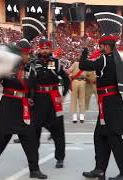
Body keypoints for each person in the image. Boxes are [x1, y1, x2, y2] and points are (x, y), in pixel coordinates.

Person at [0, 17, 48, 180]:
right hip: (7, 107)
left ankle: (34, 170)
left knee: (30, 141)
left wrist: (32, 99)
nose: (28, 56)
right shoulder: (7, 65)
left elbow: (33, 88)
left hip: (24, 108)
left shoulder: (31, 69)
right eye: (26, 54)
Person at [80, 12, 123, 180]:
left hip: (108, 104)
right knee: (101, 136)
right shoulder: (116, 59)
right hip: (109, 103)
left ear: (106, 47)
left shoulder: (105, 59)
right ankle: (100, 169)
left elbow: (83, 64)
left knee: (113, 138)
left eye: (101, 45)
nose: (99, 48)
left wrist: (85, 49)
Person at [31, 38, 70, 168]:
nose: (44, 50)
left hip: (53, 99)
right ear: (39, 49)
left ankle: (60, 158)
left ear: (50, 49)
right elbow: (29, 82)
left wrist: (63, 94)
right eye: (42, 48)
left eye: (47, 48)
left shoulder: (56, 63)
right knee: (34, 131)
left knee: (58, 130)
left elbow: (66, 79)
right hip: (37, 99)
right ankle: (33, 158)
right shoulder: (33, 63)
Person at [68, 58, 87, 123]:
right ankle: (82, 117)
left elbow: (69, 71)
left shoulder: (75, 64)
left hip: (75, 81)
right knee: (82, 99)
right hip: (83, 82)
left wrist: (70, 76)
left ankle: (74, 117)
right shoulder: (85, 65)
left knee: (74, 99)